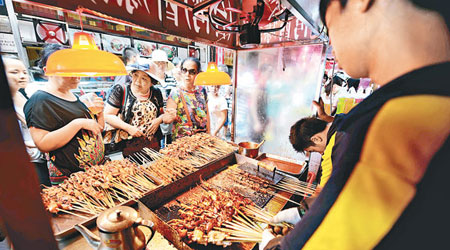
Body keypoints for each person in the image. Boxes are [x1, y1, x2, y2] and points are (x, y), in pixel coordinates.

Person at [261, 0, 450, 249]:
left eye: (328, 27)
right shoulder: (432, 94)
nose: (331, 45)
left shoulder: (388, 125)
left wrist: (272, 245)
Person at [24, 44, 105, 185]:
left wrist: (100, 113)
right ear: (47, 71)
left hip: (96, 172)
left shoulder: (73, 95)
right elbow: (43, 143)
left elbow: (97, 129)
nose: (76, 75)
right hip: (70, 178)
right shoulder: (40, 101)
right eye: (67, 69)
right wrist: (78, 123)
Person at [3, 55, 51, 187]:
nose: (22, 76)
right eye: (14, 72)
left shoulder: (24, 95)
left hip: (41, 158)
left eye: (24, 72)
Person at [103, 65, 166, 156]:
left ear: (152, 82)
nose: (137, 82)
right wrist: (129, 128)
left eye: (144, 79)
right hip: (126, 145)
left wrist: (158, 120)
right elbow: (108, 115)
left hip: (152, 144)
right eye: (135, 75)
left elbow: (162, 113)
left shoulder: (156, 92)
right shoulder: (120, 90)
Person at [165, 57, 210, 140]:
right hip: (183, 142)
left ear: (198, 73)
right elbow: (168, 117)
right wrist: (169, 116)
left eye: (192, 72)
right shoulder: (175, 93)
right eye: (184, 70)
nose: (187, 75)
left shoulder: (202, 91)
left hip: (202, 140)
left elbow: (207, 114)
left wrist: (209, 134)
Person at [149, 49, 177, 146]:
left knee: (169, 144)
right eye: (157, 63)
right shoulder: (150, 80)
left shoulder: (172, 80)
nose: (160, 65)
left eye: (163, 63)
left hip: (169, 118)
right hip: (154, 119)